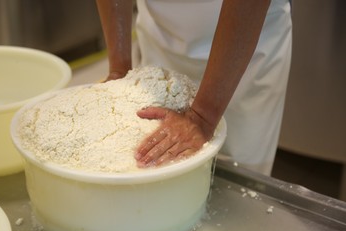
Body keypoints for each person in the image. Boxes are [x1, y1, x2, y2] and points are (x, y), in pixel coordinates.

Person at [96, 0, 292, 176]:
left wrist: (202, 117)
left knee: (240, 178)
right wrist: (119, 70)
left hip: (245, 48)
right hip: (161, 35)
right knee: (153, 170)